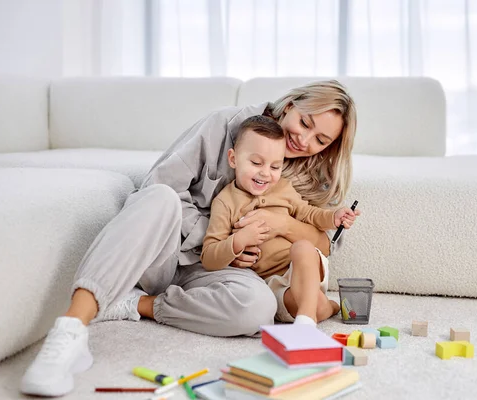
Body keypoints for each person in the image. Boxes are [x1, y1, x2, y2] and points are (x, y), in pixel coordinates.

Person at [20, 80, 358, 397]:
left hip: (222, 272)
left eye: (321, 140)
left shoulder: (314, 172)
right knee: (161, 197)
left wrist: (277, 223)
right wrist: (223, 237)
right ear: (290, 104)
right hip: (169, 251)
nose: (305, 140)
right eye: (305, 122)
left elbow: (324, 244)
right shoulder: (222, 126)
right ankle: (71, 329)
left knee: (259, 308)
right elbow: (157, 187)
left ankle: (135, 303)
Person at [201, 115, 358, 326]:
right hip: (269, 284)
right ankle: (325, 308)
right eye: (256, 163)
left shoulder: (283, 188)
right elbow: (209, 257)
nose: (265, 173)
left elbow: (309, 213)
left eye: (275, 167)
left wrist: (334, 217)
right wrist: (237, 241)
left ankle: (306, 321)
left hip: (302, 268)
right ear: (233, 159)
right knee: (317, 306)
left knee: (302, 247)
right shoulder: (225, 202)